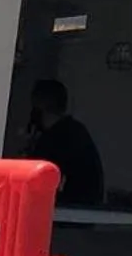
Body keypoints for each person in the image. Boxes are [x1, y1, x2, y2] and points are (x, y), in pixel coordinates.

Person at [22, 79, 105, 207]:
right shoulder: (75, 131)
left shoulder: (57, 138)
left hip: (68, 212)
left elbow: (38, 180)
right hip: (82, 212)